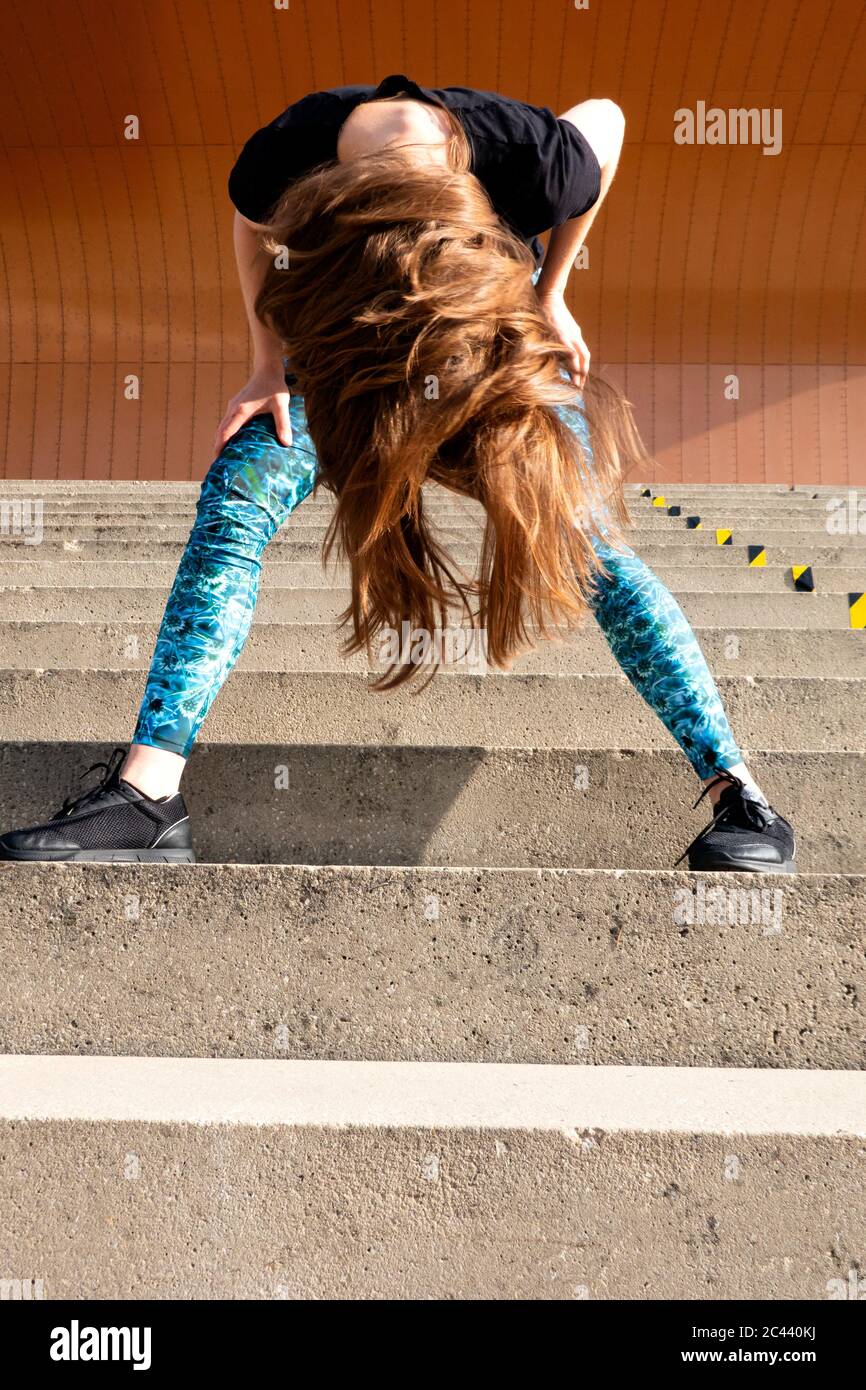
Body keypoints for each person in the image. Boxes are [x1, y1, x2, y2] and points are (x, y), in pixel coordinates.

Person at [0, 76, 795, 873]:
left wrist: (551, 292)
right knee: (238, 498)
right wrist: (266, 365)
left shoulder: (529, 156)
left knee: (592, 542)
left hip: (480, 351)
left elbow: (611, 118)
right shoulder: (285, 153)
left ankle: (743, 796)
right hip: (349, 360)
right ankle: (148, 793)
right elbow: (249, 225)